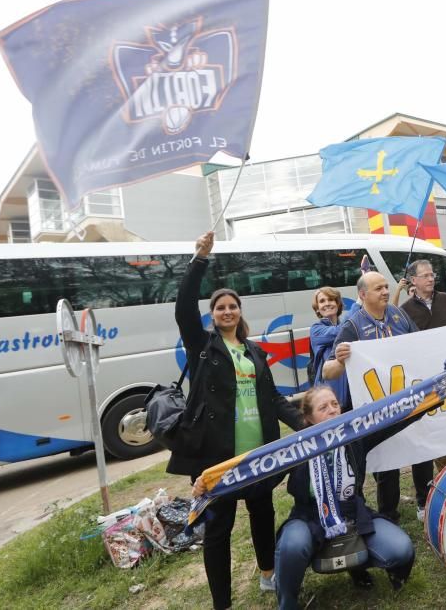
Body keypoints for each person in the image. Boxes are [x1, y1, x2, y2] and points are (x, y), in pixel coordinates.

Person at [172, 231, 305, 610]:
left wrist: (305, 425)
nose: (227, 311)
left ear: (240, 312)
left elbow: (274, 400)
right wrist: (200, 258)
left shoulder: (254, 352)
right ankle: (222, 604)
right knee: (219, 529)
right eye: (220, 307)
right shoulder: (203, 347)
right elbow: (183, 308)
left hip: (257, 452)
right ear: (213, 315)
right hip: (218, 456)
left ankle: (268, 575)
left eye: (233, 306)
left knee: (262, 515)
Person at [275, 384, 446, 609]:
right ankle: (288, 603)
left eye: (335, 404)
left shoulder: (354, 436)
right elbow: (256, 472)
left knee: (401, 549)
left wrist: (435, 395)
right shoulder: (295, 448)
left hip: (353, 513)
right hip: (309, 516)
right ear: (308, 417)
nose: (332, 410)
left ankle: (361, 567)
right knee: (292, 546)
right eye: (323, 407)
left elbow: (394, 418)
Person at [321, 272, 430, 523]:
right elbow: (328, 371)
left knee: (420, 450)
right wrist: (340, 359)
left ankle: (425, 502)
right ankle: (388, 514)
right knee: (387, 459)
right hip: (377, 407)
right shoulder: (353, 325)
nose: (384, 291)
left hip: (408, 396)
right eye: (378, 288)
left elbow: (420, 344)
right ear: (362, 295)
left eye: (385, 287)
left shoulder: (398, 314)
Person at [397, 259, 446, 473]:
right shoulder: (404, 310)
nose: (431, 278)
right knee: (436, 427)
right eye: (425, 275)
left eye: (432, 274)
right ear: (413, 280)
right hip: (427, 379)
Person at [309, 287, 350, 409]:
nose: (327, 303)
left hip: (350, 395)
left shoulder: (347, 326)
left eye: (331, 299)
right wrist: (358, 303)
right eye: (322, 301)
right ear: (317, 309)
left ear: (338, 304)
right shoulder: (316, 329)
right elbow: (341, 331)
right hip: (330, 399)